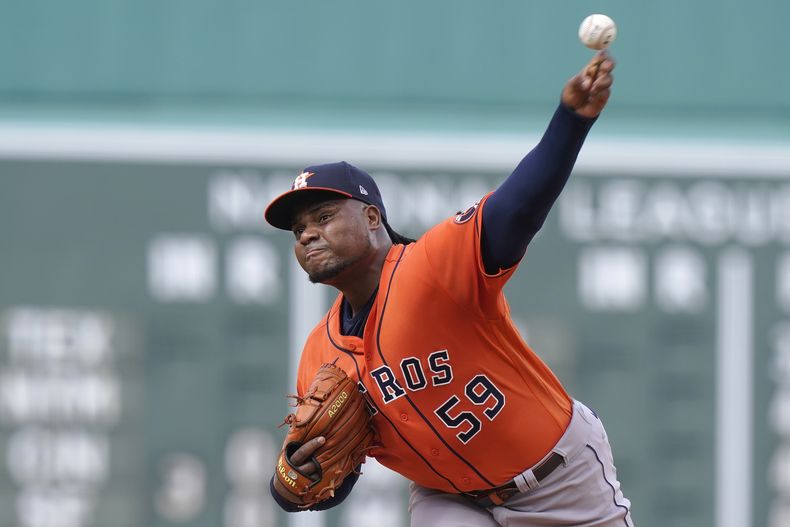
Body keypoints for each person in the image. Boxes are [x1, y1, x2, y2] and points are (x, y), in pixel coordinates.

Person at [265, 50, 633, 526]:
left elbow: (518, 209)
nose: (308, 234)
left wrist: (571, 121)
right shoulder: (320, 354)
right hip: (450, 502)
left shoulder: (432, 267)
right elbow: (336, 477)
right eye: (298, 231)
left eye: (324, 216)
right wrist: (288, 485)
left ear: (373, 217)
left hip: (559, 479)